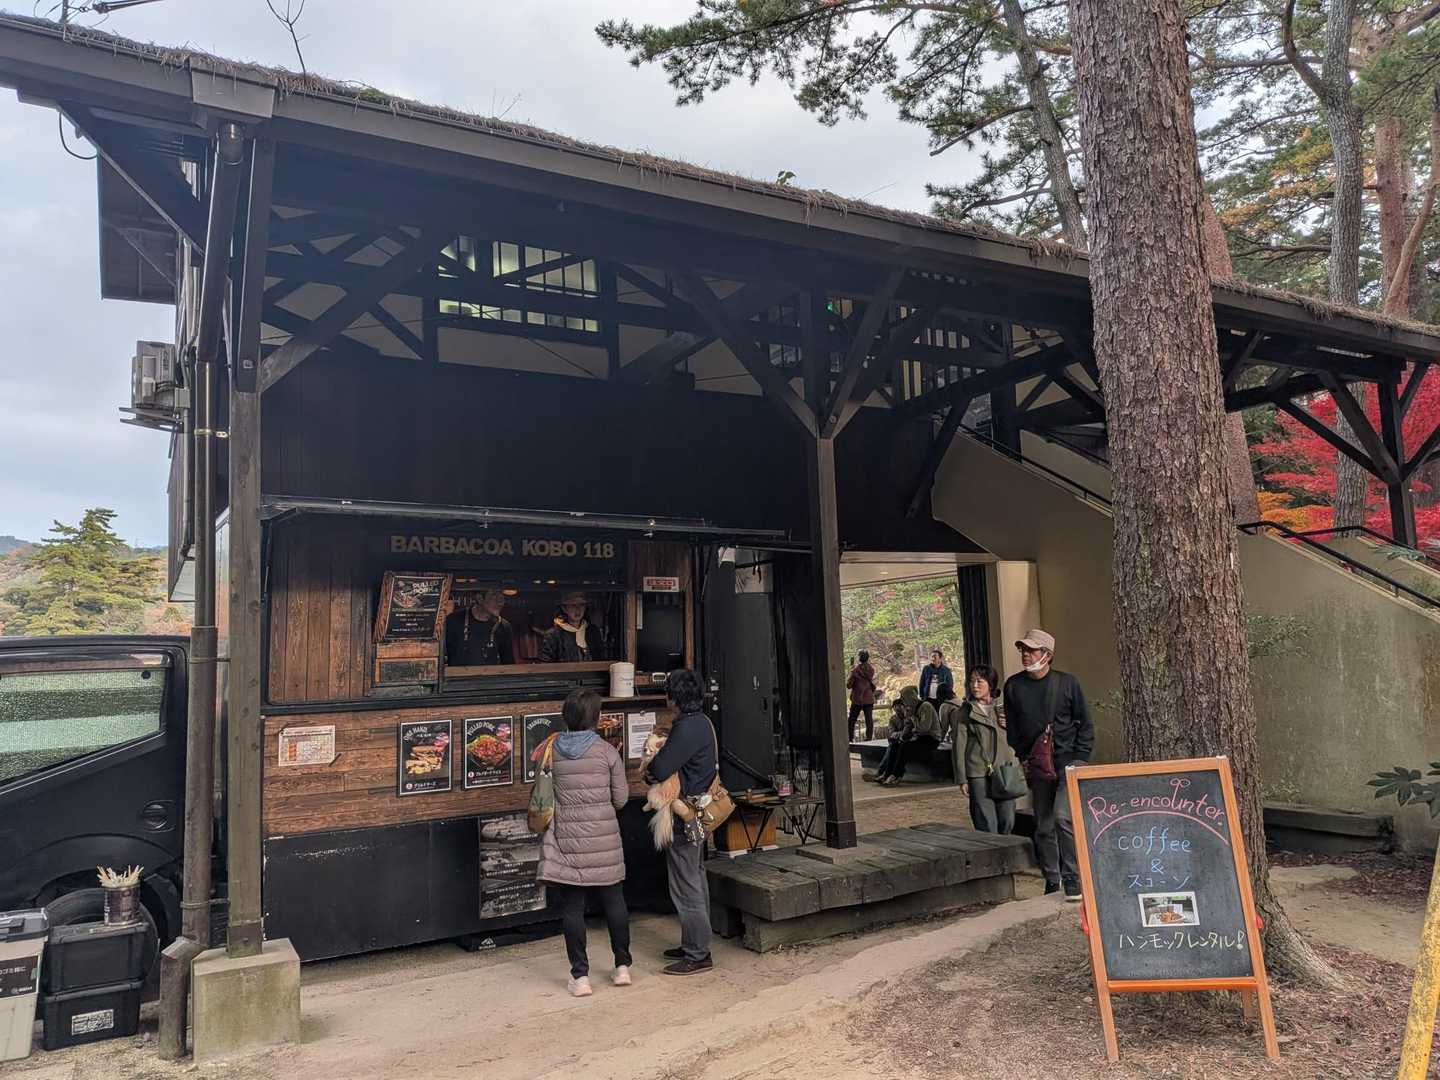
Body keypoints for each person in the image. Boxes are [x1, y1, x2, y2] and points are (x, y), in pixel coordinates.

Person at [536, 688, 633, 998]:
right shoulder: (607, 752)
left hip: (568, 841)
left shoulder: (551, 751)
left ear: (566, 717)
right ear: (597, 718)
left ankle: (580, 978)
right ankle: (622, 967)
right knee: (614, 901)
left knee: (573, 908)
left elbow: (543, 795)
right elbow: (621, 799)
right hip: (605, 840)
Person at [1003, 629, 1093, 901]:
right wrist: (1024, 756)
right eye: (1023, 650)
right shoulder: (1013, 686)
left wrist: (1081, 757)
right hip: (1038, 765)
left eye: (1032, 650)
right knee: (1043, 826)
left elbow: (1085, 723)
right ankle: (1052, 878)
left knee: (1062, 817)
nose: (1026, 655)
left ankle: (1072, 877)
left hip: (1069, 762)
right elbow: (1013, 729)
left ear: (1047, 655)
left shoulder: (1067, 683)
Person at [643, 668, 717, 976]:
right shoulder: (703, 722)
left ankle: (697, 953)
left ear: (672, 698)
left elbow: (659, 769)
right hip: (698, 811)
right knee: (695, 878)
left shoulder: (685, 728)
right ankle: (694, 943)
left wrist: (650, 769)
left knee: (686, 885)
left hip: (684, 813)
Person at [949, 665, 1018, 834]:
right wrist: (962, 778)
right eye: (971, 681)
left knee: (1007, 818)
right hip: (978, 771)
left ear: (991, 684)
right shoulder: (965, 711)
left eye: (980, 681)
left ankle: (1006, 849)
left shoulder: (1004, 709)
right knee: (985, 821)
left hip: (1005, 770)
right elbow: (959, 746)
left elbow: (1020, 738)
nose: (975, 685)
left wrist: (1012, 725)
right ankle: (992, 850)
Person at [444, 587, 516, 666]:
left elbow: (508, 663)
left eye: (502, 596)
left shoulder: (504, 626)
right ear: (479, 598)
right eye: (494, 594)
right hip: (457, 674)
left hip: (490, 674)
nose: (500, 601)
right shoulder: (453, 621)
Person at [540, 590, 607, 662]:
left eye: (581, 605)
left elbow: (602, 659)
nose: (578, 609)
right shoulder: (553, 635)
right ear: (564, 609)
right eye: (573, 605)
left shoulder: (593, 632)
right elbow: (546, 663)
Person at [846, 650, 877, 740]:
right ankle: (869, 738)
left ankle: (850, 738)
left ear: (859, 658)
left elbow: (849, 685)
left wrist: (851, 672)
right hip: (868, 698)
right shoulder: (871, 670)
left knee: (852, 720)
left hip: (857, 699)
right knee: (869, 720)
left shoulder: (855, 671)